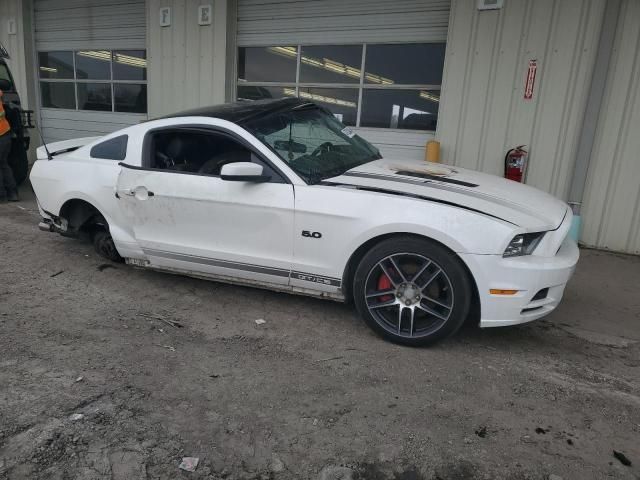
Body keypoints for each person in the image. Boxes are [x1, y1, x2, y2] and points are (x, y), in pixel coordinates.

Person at [0, 88, 18, 202]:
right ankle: (12, 193)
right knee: (3, 164)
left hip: (1, 135)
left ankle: (2, 195)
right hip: (5, 133)